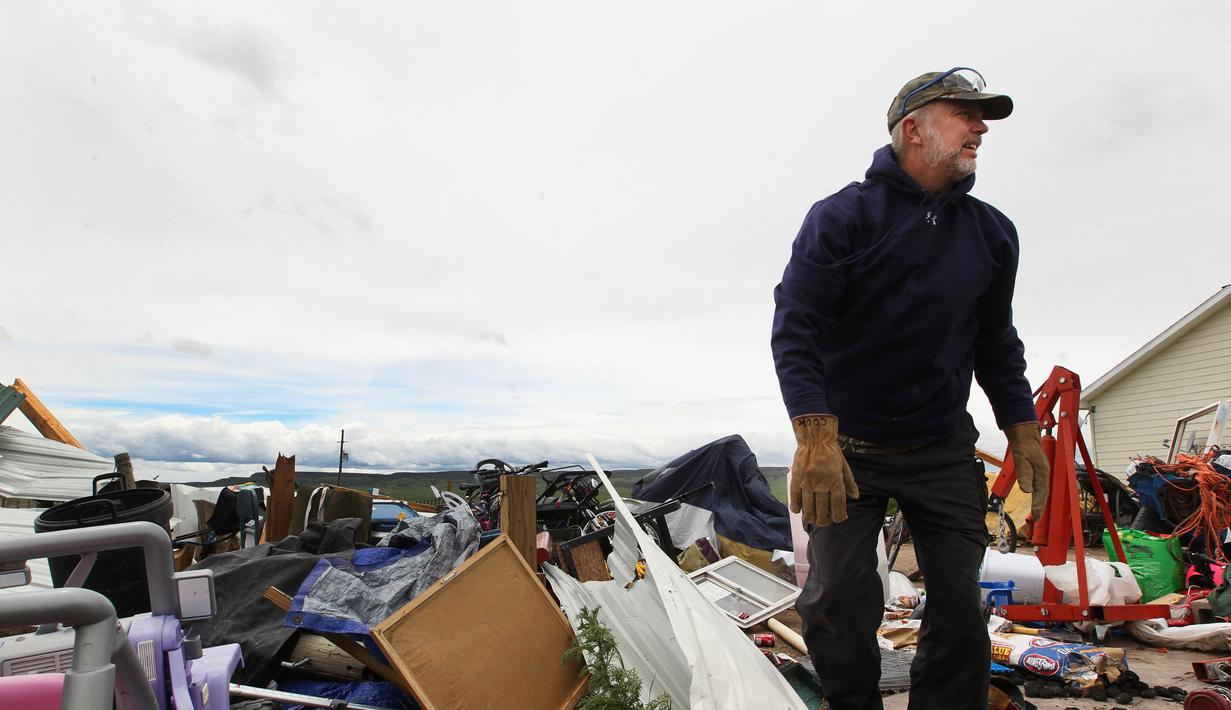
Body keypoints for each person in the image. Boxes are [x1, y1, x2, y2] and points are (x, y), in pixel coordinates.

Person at [770, 68, 1051, 709]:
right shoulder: (842, 218)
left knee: (958, 608)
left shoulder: (992, 233)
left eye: (984, 118)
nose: (981, 127)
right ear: (912, 131)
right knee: (838, 601)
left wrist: (1021, 425)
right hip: (849, 451)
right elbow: (797, 330)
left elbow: (995, 343)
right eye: (966, 114)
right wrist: (814, 436)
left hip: (941, 449)